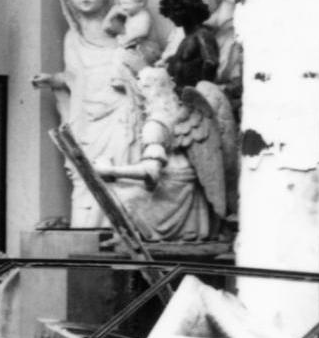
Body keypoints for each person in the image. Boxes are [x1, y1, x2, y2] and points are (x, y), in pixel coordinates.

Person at [32, 0, 145, 228]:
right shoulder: (73, 36)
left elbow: (141, 61)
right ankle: (87, 227)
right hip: (86, 112)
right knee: (86, 168)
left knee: (120, 165)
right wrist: (54, 80)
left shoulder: (125, 26)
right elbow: (74, 76)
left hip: (120, 106)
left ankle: (119, 229)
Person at [95, 67, 228, 242]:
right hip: (185, 183)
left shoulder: (156, 124)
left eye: (142, 87)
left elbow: (151, 172)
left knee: (117, 194)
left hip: (172, 190)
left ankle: (135, 236)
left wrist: (109, 170)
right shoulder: (177, 114)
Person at [159, 0, 219, 89]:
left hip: (194, 91)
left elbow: (211, 62)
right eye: (170, 12)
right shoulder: (188, 37)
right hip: (181, 88)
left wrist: (202, 88)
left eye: (174, 12)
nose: (171, 17)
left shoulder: (202, 34)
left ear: (187, 12)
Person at [103, 0, 160, 64]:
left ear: (141, 3)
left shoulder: (144, 15)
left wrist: (127, 38)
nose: (123, 7)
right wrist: (111, 13)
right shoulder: (128, 14)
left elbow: (143, 31)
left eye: (126, 3)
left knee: (126, 56)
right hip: (132, 46)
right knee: (116, 55)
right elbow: (106, 27)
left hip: (147, 48)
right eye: (121, 3)